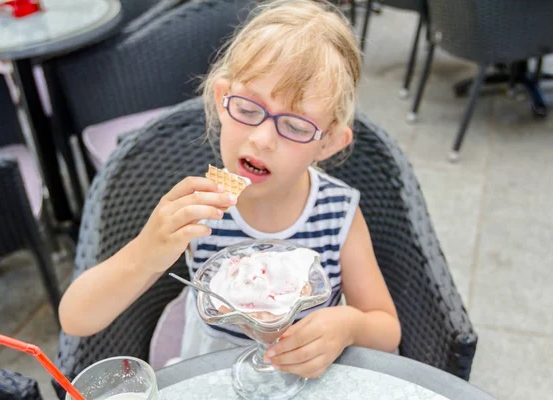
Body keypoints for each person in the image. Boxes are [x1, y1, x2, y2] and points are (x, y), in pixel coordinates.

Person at [59, 0, 401, 379]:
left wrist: (348, 325)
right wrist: (148, 251)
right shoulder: (199, 209)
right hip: (212, 376)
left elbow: (386, 329)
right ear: (223, 100)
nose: (263, 138)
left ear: (328, 143)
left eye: (296, 126)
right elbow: (76, 318)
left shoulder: (337, 215)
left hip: (307, 379)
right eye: (249, 108)